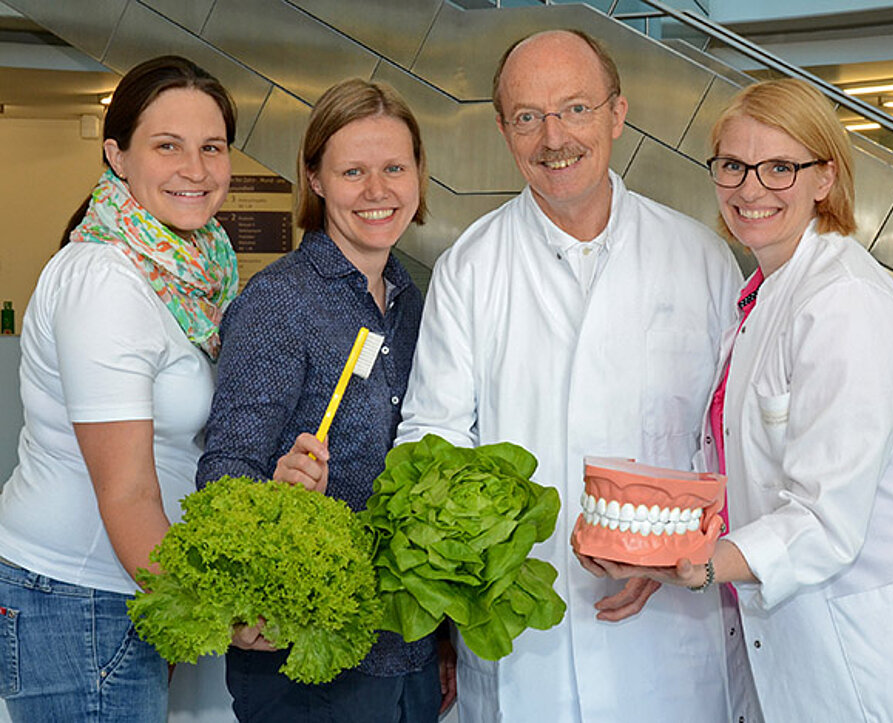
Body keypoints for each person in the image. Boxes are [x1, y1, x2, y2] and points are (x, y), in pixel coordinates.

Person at [396, 29, 756, 722]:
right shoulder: (470, 267)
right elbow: (430, 441)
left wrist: (672, 554)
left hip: (670, 631)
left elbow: (723, 440)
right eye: (528, 116)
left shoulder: (700, 257)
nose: (552, 137)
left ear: (617, 115)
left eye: (575, 110)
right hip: (527, 634)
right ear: (503, 130)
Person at [584, 77, 893, 721]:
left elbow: (823, 520)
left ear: (824, 178)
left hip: (863, 655)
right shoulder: (763, 292)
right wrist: (665, 551)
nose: (750, 189)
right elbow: (739, 466)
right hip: (792, 640)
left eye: (780, 168)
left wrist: (704, 564)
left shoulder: (845, 306)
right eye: (733, 166)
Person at [195, 77, 454, 723]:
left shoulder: (417, 304)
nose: (377, 191)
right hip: (306, 659)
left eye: (394, 167)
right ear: (313, 178)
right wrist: (273, 493)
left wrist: (441, 635)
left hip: (409, 649)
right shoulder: (278, 302)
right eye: (352, 171)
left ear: (419, 173)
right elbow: (225, 469)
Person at [0, 56, 238, 721]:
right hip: (77, 597)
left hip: (127, 584)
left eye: (211, 147)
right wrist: (222, 614)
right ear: (118, 155)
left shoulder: (196, 268)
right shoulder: (106, 280)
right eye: (168, 146)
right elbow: (128, 491)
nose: (195, 168)